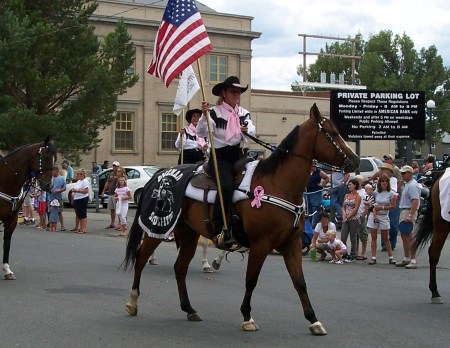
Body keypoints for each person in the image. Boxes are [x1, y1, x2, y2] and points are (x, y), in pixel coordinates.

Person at [197, 76, 255, 247]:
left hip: (239, 154)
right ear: (224, 93)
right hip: (220, 155)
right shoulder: (214, 112)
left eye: (238, 92)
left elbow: (251, 129)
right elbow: (201, 133)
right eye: (233, 91)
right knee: (227, 186)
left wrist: (246, 130)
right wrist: (204, 116)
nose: (237, 95)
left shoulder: (243, 112)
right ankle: (219, 226)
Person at [367, 174, 396, 265]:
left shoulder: (391, 193)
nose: (384, 183)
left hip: (384, 215)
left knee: (385, 237)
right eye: (382, 181)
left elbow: (393, 206)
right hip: (374, 215)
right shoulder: (376, 192)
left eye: (386, 181)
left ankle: (391, 257)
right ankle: (373, 257)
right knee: (373, 237)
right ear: (379, 183)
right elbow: (370, 203)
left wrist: (382, 207)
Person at [395, 165, 421, 269]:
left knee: (409, 236)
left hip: (408, 211)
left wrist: (410, 215)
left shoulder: (413, 185)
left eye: (404, 173)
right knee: (404, 235)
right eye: (401, 173)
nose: (402, 175)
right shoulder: (408, 184)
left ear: (410, 173)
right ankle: (406, 258)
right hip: (404, 210)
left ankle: (413, 259)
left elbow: (415, 201)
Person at [340, 178, 361, 262]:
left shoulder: (358, 197)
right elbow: (343, 206)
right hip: (346, 218)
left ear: (355, 185)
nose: (349, 186)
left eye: (350, 184)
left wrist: (348, 217)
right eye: (348, 185)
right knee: (343, 237)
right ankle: (344, 253)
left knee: (353, 237)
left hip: (353, 219)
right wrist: (344, 215)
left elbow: (356, 209)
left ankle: (353, 254)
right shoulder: (346, 195)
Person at [305, 160, 329, 227]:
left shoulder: (319, 172)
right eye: (312, 165)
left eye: (315, 165)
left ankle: (315, 224)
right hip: (307, 193)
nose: (314, 167)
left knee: (315, 208)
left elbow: (327, 178)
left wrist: (322, 185)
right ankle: (308, 223)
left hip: (316, 192)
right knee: (308, 208)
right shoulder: (306, 171)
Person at [101, 161, 121, 229]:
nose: (114, 167)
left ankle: (120, 223)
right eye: (113, 166)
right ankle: (112, 223)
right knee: (112, 209)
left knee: (118, 209)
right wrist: (103, 191)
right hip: (110, 193)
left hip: (117, 194)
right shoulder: (110, 174)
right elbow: (108, 183)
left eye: (116, 166)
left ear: (118, 167)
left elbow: (123, 183)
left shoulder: (120, 174)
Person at [354, 175, 369, 260]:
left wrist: (364, 214)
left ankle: (363, 253)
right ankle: (356, 252)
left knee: (363, 234)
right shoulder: (353, 192)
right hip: (354, 216)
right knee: (355, 235)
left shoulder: (364, 192)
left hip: (361, 215)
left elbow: (367, 205)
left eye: (359, 181)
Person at [71, 169, 90, 234]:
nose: (79, 175)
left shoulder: (85, 181)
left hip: (82, 198)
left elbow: (86, 191)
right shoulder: (78, 181)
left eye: (81, 174)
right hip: (77, 198)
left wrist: (77, 191)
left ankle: (83, 228)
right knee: (79, 214)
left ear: (84, 174)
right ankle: (80, 227)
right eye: (78, 174)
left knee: (83, 214)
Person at [48, 165, 66, 232]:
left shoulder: (61, 178)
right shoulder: (50, 178)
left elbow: (64, 188)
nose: (52, 172)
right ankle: (50, 225)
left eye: (53, 171)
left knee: (59, 212)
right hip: (51, 197)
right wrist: (49, 190)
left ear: (57, 171)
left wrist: (59, 190)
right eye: (52, 171)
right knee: (51, 212)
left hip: (58, 197)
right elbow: (46, 187)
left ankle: (62, 225)